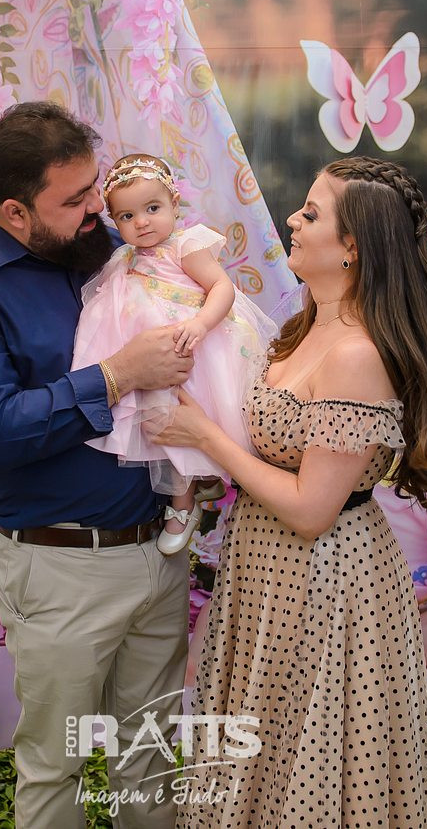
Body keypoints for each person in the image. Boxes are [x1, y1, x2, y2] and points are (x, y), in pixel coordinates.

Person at [152, 156, 427, 827]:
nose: (293, 221)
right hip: (264, 568)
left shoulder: (357, 353)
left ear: (353, 245)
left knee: (310, 760)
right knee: (261, 752)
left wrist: (205, 437)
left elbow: (311, 509)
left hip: (325, 582)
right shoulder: (307, 326)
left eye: (310, 213)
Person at [0, 101, 191, 829]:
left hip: (159, 551)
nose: (98, 208)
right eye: (74, 200)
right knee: (54, 766)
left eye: (94, 187)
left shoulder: (111, 248)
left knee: (152, 759)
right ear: (14, 211)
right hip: (61, 566)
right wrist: (116, 376)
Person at [71, 153, 276, 555]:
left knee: (182, 418)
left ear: (174, 204)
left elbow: (222, 288)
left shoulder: (186, 246)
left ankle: (182, 504)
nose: (142, 222)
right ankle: (197, 486)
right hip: (150, 359)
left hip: (193, 349)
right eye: (127, 216)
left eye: (152, 208)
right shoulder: (123, 258)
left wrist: (200, 324)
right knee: (157, 428)